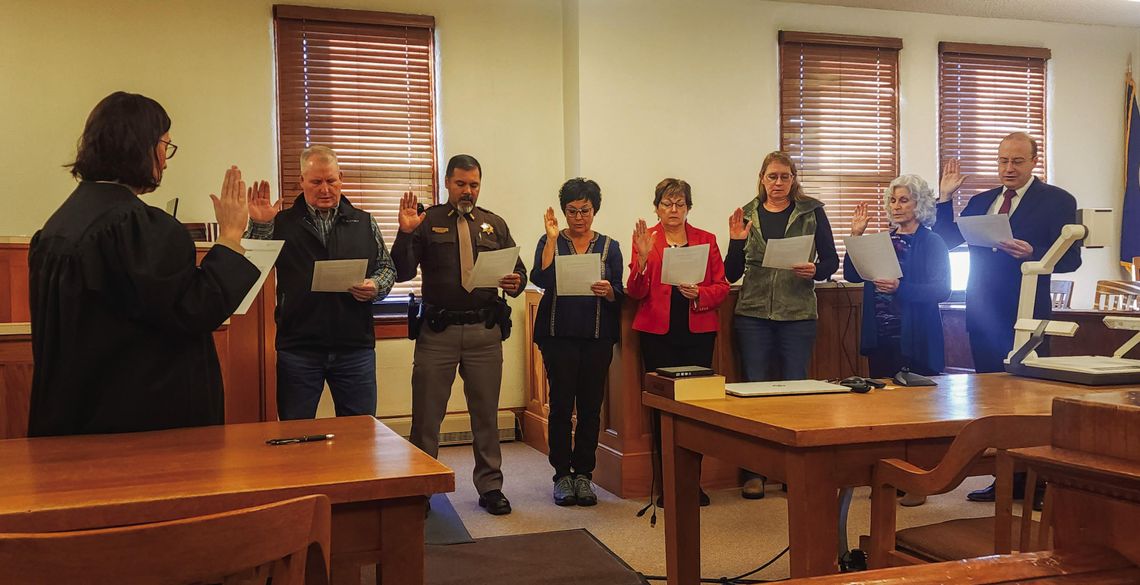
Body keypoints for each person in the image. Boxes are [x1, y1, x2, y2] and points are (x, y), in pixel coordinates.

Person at [27, 91, 260, 436]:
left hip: (73, 418)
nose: (166, 160)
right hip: (139, 427)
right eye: (166, 145)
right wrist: (229, 236)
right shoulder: (134, 226)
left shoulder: (61, 223)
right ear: (141, 146)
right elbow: (193, 310)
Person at [935, 132, 1081, 505]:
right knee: (993, 402)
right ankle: (1005, 479)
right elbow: (947, 239)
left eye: (1017, 161)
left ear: (1034, 162)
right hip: (982, 308)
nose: (1008, 168)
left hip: (1026, 311)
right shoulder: (983, 201)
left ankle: (1038, 482)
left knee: (1029, 400)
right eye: (1002, 161)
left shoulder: (1057, 200)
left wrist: (1036, 253)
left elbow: (1070, 260)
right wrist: (946, 198)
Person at [393, 154, 527, 515]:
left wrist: (516, 282)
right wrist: (405, 233)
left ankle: (490, 486)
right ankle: (422, 489)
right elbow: (402, 271)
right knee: (427, 416)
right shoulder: (427, 220)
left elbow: (518, 271)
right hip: (439, 332)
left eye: (474, 184)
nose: (468, 191)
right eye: (461, 184)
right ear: (447, 183)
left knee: (486, 415)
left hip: (484, 332)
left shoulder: (493, 224)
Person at [245, 146, 396, 420]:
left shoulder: (364, 221)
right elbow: (252, 266)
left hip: (355, 347)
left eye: (331, 180)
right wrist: (259, 224)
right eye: (316, 182)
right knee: (296, 433)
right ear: (301, 182)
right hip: (299, 348)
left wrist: (375, 286)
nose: (325, 188)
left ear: (341, 178)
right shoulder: (281, 222)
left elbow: (386, 267)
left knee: (360, 435)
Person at [724, 151, 838, 498]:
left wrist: (814, 270)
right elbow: (731, 273)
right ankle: (754, 472)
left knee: (796, 393)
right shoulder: (746, 214)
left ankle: (794, 471)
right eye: (772, 177)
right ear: (762, 178)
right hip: (753, 313)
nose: (777, 184)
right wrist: (735, 241)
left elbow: (831, 260)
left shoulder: (812, 212)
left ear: (794, 179)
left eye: (784, 177)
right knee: (753, 393)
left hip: (797, 313)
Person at [628, 178, 730, 507]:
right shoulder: (647, 240)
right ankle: (667, 485)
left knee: (695, 410)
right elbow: (635, 291)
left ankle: (692, 484)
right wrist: (642, 261)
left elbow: (722, 287)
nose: (674, 210)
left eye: (680, 204)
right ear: (656, 207)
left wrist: (700, 293)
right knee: (663, 410)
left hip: (697, 332)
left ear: (688, 207)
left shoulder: (706, 240)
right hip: (657, 334)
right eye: (667, 204)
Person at [530, 178, 624, 507]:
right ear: (564, 212)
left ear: (594, 211)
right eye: (572, 211)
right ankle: (561, 475)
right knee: (559, 407)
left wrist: (608, 290)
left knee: (589, 409)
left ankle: (584, 474)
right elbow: (539, 279)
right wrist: (553, 240)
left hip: (597, 335)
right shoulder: (550, 239)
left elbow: (619, 292)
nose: (578, 217)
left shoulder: (610, 246)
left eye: (585, 210)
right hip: (558, 335)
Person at [844, 175, 951, 378]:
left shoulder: (932, 241)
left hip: (915, 339)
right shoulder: (883, 240)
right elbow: (852, 275)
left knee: (918, 403)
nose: (896, 206)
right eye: (892, 200)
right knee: (882, 403)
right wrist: (855, 235)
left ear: (919, 204)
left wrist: (899, 288)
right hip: (881, 337)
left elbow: (941, 289)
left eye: (903, 200)